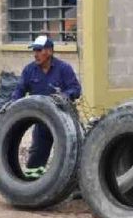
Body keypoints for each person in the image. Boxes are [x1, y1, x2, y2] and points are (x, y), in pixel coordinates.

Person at [10, 35, 81, 178]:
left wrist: (64, 96)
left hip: (65, 119)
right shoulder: (29, 70)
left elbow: (76, 89)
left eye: (38, 50)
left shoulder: (63, 69)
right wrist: (12, 106)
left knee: (71, 153)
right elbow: (19, 91)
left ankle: (76, 185)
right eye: (34, 50)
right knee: (37, 155)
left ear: (49, 51)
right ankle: (34, 182)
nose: (35, 54)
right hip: (42, 121)